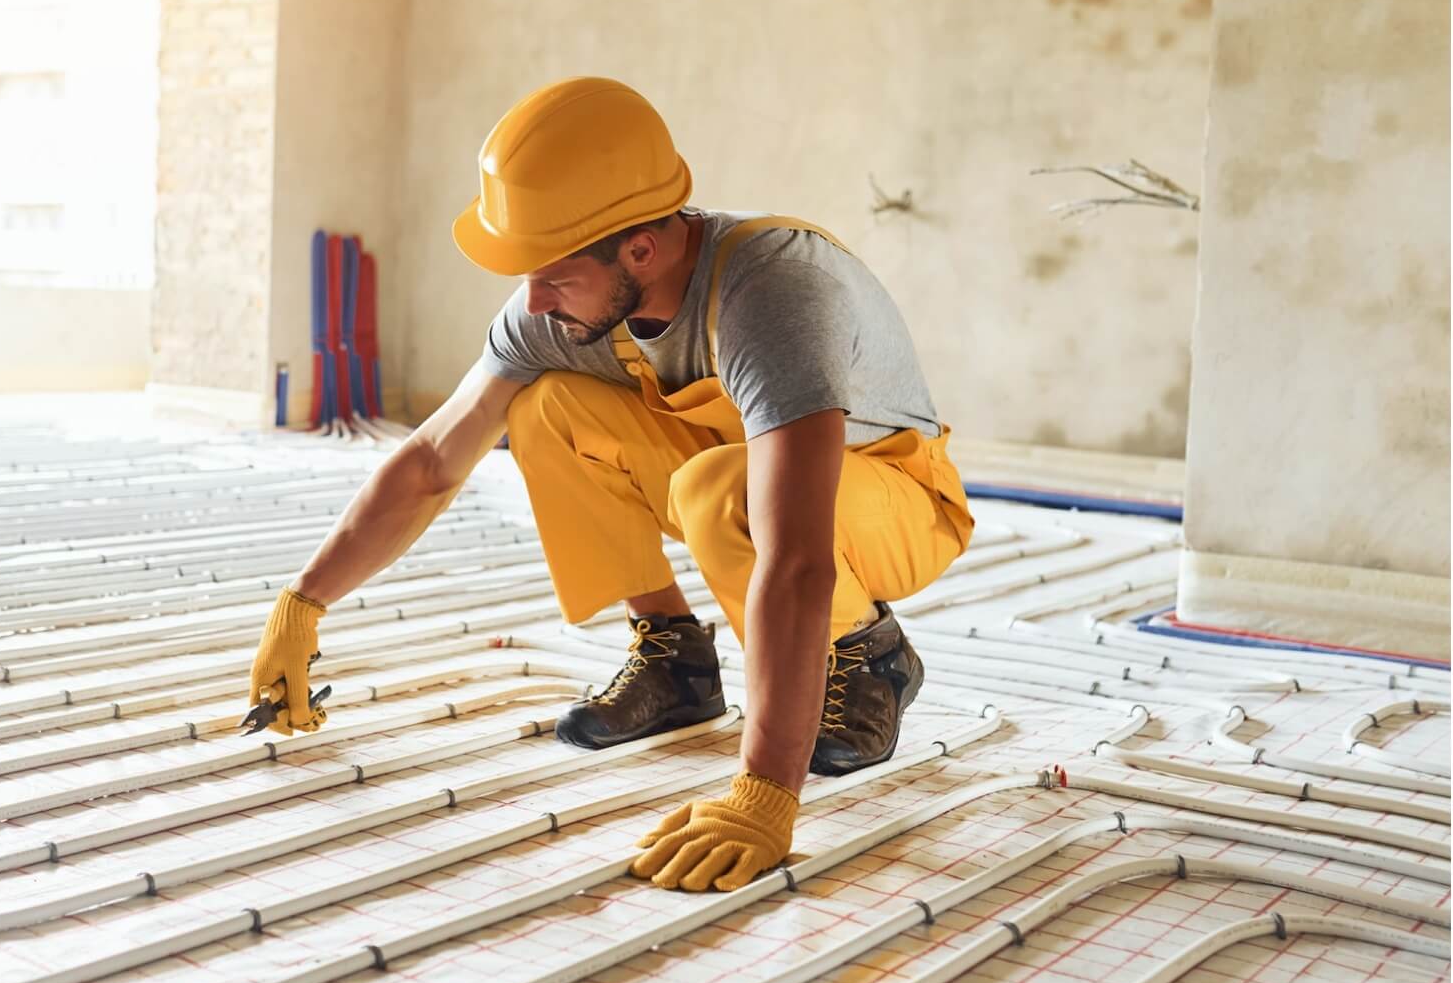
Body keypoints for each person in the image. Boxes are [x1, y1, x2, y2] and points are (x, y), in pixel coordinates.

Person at [248, 77, 974, 893]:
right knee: (545, 406)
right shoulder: (560, 305)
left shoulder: (771, 295)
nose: (532, 302)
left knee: (719, 489)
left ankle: (869, 657)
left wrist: (765, 793)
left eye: (553, 276)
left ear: (641, 249)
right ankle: (675, 661)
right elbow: (430, 461)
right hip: (736, 475)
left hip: (892, 504)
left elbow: (796, 556)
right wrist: (303, 602)